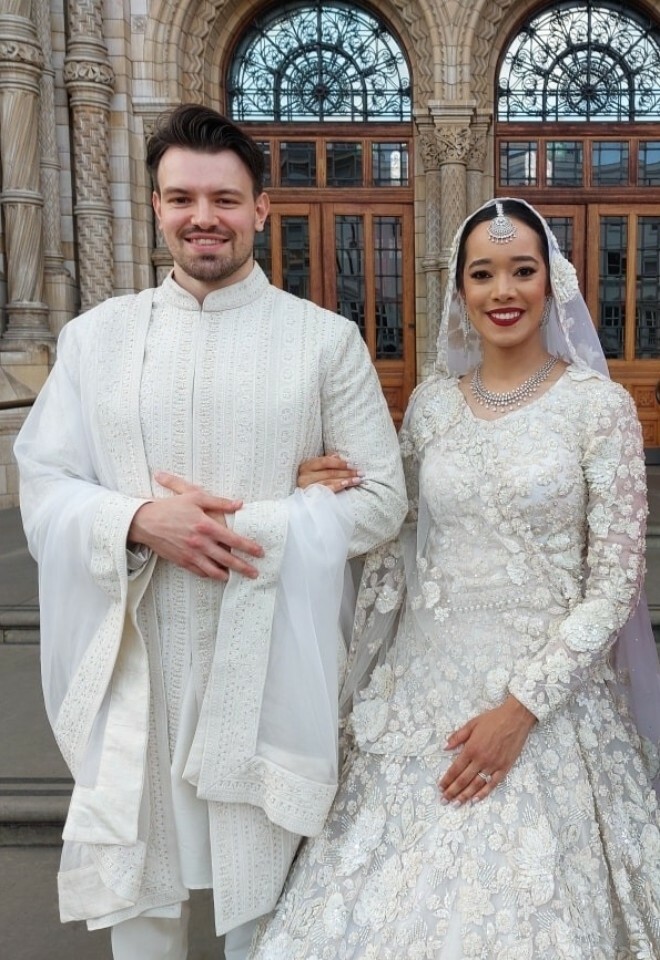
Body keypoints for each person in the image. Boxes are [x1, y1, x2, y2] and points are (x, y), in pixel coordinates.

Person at [13, 103, 407, 960]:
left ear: (261, 208)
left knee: (265, 900)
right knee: (142, 898)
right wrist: (139, 520)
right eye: (183, 198)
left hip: (268, 661)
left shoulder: (323, 342)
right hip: (136, 653)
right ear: (156, 205)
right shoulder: (94, 339)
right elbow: (43, 480)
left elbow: (383, 499)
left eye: (225, 199)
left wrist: (260, 522)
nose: (204, 217)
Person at [249, 198, 660, 959]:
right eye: (483, 274)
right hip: (423, 695)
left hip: (547, 703)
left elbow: (614, 586)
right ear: (460, 289)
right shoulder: (432, 405)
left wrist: (521, 709)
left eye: (522, 271)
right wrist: (319, 495)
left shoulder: (599, 409)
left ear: (552, 283)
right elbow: (393, 533)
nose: (503, 290)